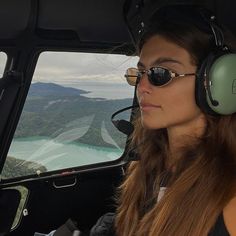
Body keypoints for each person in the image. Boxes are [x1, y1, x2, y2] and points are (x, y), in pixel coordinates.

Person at [44, 4, 236, 236]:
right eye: (140, 73)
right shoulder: (148, 164)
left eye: (160, 74)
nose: (142, 87)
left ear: (216, 82)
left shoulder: (229, 196)